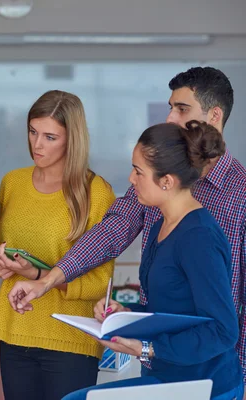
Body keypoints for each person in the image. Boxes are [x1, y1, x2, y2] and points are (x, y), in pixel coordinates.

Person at [7, 67, 246, 381]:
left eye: (182, 109)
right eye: (171, 107)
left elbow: (224, 324)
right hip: (161, 364)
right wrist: (48, 281)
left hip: (209, 371)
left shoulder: (237, 195)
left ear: (214, 115)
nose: (171, 118)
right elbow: (113, 229)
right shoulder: (152, 184)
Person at [61, 121, 243, 399]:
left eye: (138, 171)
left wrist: (144, 349)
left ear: (167, 181)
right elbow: (170, 307)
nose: (131, 179)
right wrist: (124, 315)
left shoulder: (199, 238)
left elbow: (223, 331)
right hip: (166, 375)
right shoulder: (160, 225)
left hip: (205, 385)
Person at [0, 90, 115, 400]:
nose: (37, 144)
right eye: (32, 131)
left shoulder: (95, 192)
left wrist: (36, 275)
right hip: (15, 329)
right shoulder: (12, 182)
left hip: (70, 337)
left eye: (50, 137)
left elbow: (100, 282)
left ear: (72, 140)